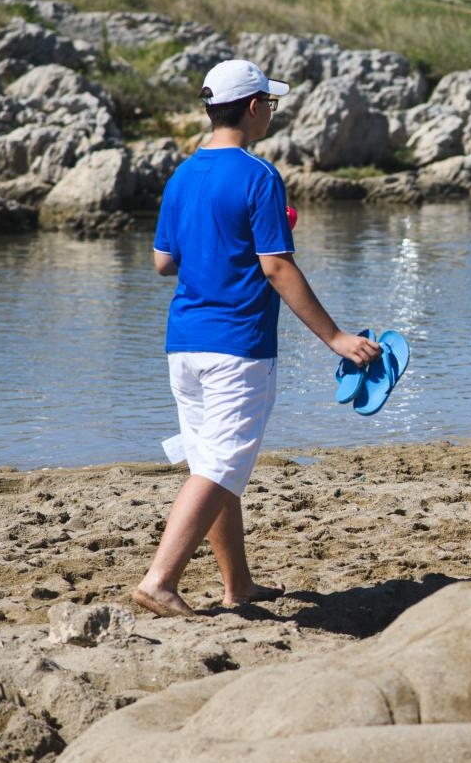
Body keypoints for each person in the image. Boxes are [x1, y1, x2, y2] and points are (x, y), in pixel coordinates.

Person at [133, 60, 379, 618]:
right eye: (270, 102)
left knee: (213, 465)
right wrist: (336, 337)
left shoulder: (182, 174)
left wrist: (216, 244)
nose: (272, 111)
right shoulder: (258, 176)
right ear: (251, 107)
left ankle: (237, 584)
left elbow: (162, 262)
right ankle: (159, 580)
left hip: (183, 344)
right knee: (220, 467)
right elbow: (276, 268)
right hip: (237, 346)